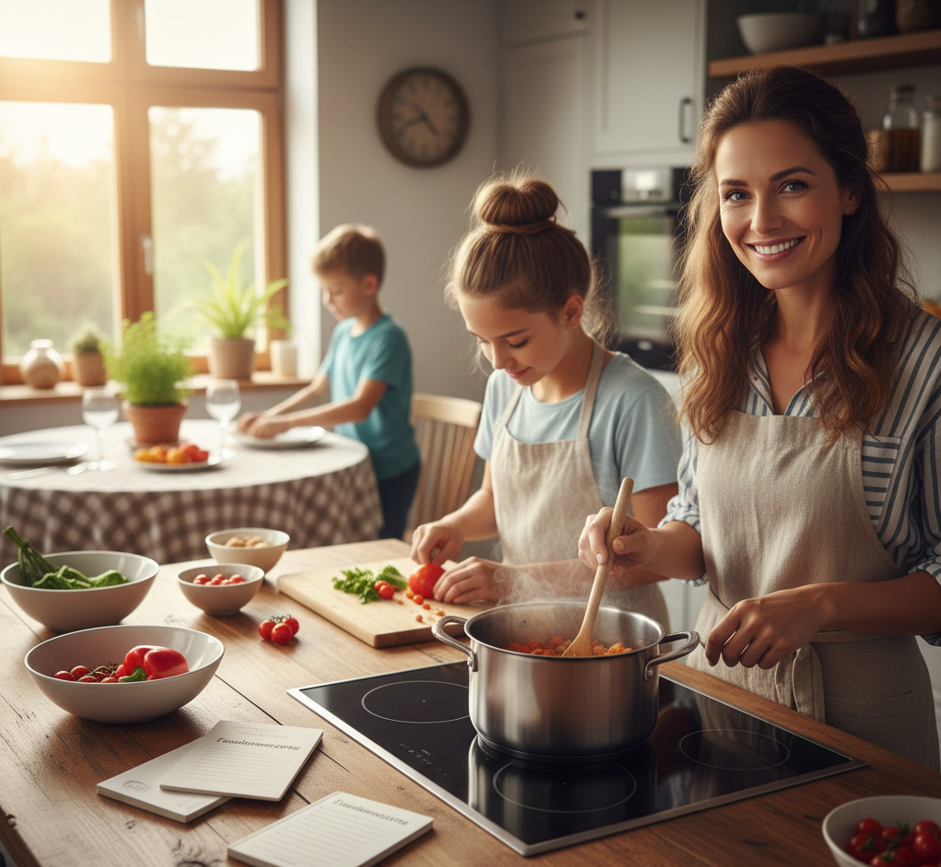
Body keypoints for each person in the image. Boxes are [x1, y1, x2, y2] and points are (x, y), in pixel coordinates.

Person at [578, 66, 941, 769]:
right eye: (736, 194)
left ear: (850, 191)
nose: (761, 221)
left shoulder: (923, 365)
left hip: (863, 728)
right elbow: (699, 529)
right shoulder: (718, 350)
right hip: (722, 705)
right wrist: (644, 546)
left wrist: (820, 606)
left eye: (792, 185)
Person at [410, 173, 682, 625]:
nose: (497, 361)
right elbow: (494, 501)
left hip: (613, 643)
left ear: (571, 312)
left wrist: (511, 579)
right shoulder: (506, 387)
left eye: (515, 340)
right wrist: (455, 524)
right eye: (482, 340)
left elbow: (657, 560)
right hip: (521, 632)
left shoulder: (635, 401)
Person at [236, 224, 420, 540]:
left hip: (390, 468)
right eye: (324, 291)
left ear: (369, 284)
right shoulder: (343, 332)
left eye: (335, 290)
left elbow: (360, 407)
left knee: (380, 543)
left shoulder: (389, 337)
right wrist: (271, 416)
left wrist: (286, 424)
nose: (327, 300)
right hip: (355, 463)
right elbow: (318, 388)